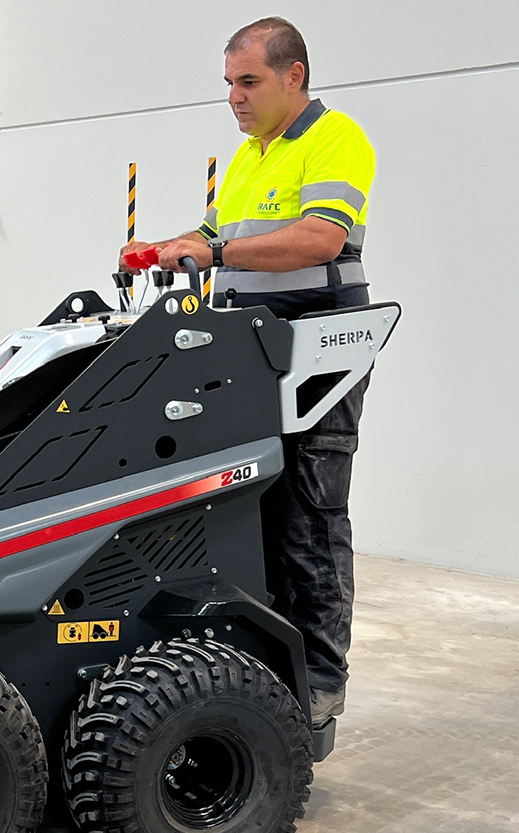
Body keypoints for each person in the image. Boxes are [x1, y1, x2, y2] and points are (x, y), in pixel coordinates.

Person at [118, 17, 376, 728]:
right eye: (229, 83)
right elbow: (213, 234)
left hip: (317, 351)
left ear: (294, 76)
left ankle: (320, 678)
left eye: (249, 81)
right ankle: (261, 668)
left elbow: (322, 235)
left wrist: (214, 257)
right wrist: (166, 248)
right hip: (249, 354)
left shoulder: (335, 139)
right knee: (244, 508)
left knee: (309, 516)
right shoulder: (248, 157)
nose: (234, 96)